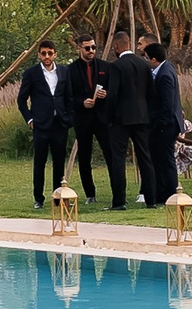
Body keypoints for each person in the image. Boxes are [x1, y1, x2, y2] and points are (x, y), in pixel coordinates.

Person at [61, 35, 119, 204]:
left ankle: (116, 191)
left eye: (93, 47)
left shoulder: (105, 67)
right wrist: (81, 102)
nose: (91, 51)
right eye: (87, 48)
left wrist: (106, 94)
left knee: (110, 155)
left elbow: (113, 91)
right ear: (79, 48)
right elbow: (68, 96)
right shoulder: (70, 70)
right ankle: (90, 194)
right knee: (85, 158)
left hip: (102, 118)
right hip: (83, 119)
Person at [18, 40, 73, 208]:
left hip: (59, 124)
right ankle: (38, 199)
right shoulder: (31, 73)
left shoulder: (64, 71)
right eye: (44, 53)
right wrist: (30, 119)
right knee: (39, 162)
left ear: (55, 54)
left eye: (50, 53)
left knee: (58, 162)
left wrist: (69, 118)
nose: (47, 56)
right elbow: (21, 100)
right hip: (40, 124)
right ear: (39, 55)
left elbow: (69, 96)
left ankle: (59, 197)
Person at [109, 30, 153, 211]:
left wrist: (109, 117)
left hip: (121, 119)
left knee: (118, 159)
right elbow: (151, 92)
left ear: (117, 46)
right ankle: (151, 198)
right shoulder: (144, 65)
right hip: (142, 117)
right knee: (145, 158)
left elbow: (112, 95)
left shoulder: (116, 66)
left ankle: (119, 201)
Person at [145, 40, 184, 206]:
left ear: (154, 59)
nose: (146, 61)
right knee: (159, 159)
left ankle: (170, 193)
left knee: (166, 160)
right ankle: (160, 193)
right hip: (165, 124)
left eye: (147, 58)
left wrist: (160, 126)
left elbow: (167, 105)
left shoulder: (165, 75)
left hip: (166, 126)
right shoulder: (165, 69)